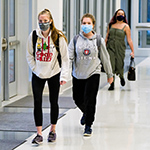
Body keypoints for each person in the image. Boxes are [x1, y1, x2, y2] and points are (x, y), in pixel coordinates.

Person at [26, 9, 69, 144]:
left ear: (50, 21)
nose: (43, 23)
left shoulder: (58, 37)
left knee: (53, 101)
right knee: (37, 102)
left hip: (54, 73)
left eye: (45, 21)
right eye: (40, 21)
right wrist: (35, 69)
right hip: (38, 74)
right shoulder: (33, 36)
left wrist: (64, 76)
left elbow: (66, 59)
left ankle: (52, 130)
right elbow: (29, 55)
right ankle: (39, 133)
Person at [68, 13, 113, 136]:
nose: (86, 25)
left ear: (93, 25)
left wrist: (110, 74)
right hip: (78, 73)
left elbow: (105, 58)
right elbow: (69, 57)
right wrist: (65, 74)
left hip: (93, 72)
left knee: (90, 99)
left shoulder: (98, 40)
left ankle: (88, 125)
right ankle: (86, 113)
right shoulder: (75, 39)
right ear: (81, 24)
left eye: (89, 23)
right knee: (77, 99)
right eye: (84, 23)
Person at [105, 9, 135, 90]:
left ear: (124, 16)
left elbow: (129, 39)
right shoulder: (111, 25)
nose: (120, 15)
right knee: (111, 64)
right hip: (110, 47)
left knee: (119, 64)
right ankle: (112, 83)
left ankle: (121, 76)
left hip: (120, 48)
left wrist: (133, 51)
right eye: (118, 13)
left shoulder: (126, 26)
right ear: (115, 15)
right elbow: (107, 37)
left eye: (122, 14)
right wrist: (103, 48)